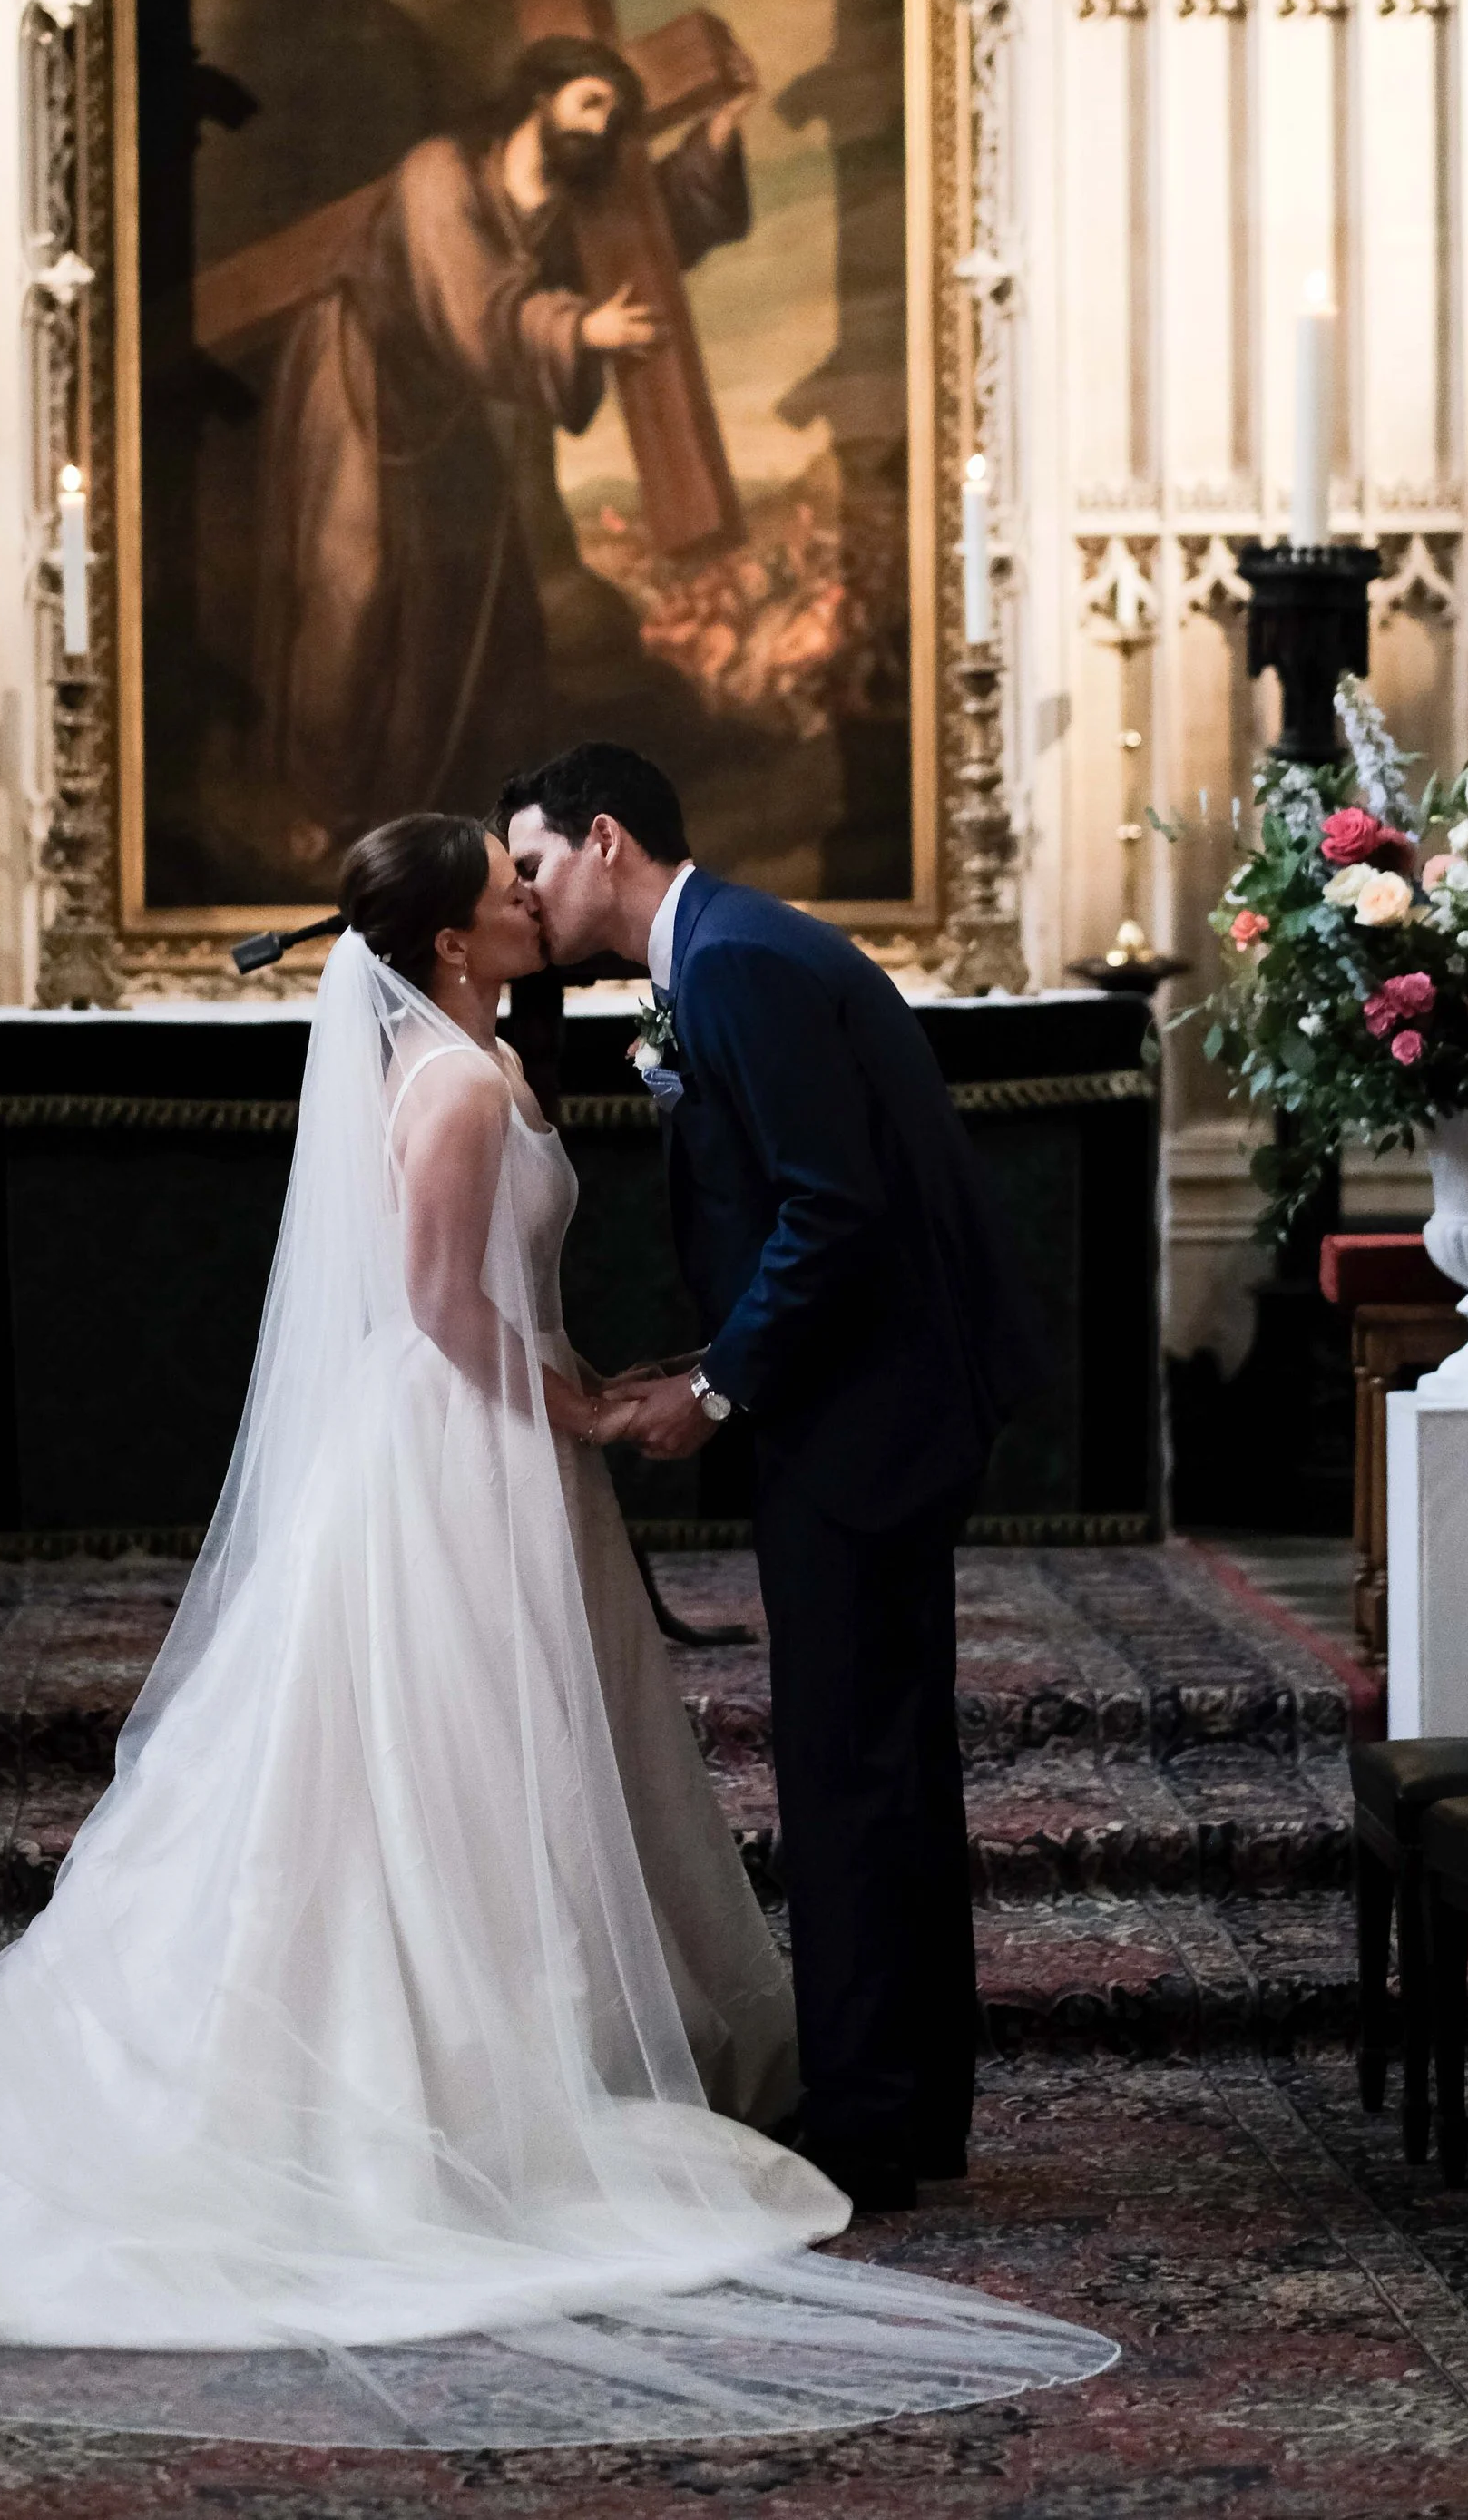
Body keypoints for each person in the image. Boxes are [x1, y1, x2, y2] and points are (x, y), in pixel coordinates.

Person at [0, 814, 1111, 2446]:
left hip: (503, 1440)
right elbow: (449, 1306)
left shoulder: (481, 1054)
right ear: (453, 941)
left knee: (506, 1756)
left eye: (536, 868)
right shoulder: (449, 1087)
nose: (533, 900)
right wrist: (581, 1405)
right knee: (426, 1756)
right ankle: (424, 2087)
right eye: (506, 887)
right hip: (459, 1445)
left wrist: (601, 1387)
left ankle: (544, 2053)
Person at [502, 743, 1049, 2215]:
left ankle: (873, 2126)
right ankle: (901, 2105)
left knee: (855, 1774)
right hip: (857, 1404)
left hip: (863, 1420)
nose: (525, 897)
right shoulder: (726, 954)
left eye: (535, 864)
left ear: (604, 838)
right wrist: (716, 1360)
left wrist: (718, 1385)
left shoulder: (733, 963)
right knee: (868, 1766)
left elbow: (835, 1207)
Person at [252, 36, 748, 852]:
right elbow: (473, 308)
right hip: (360, 379)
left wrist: (718, 136)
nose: (603, 123)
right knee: (360, 583)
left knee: (479, 596)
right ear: (538, 97)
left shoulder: (562, 211)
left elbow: (650, 239)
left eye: (615, 114)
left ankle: (426, 800)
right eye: (590, 101)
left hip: (449, 404)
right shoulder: (439, 174)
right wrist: (578, 326)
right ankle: (321, 801)